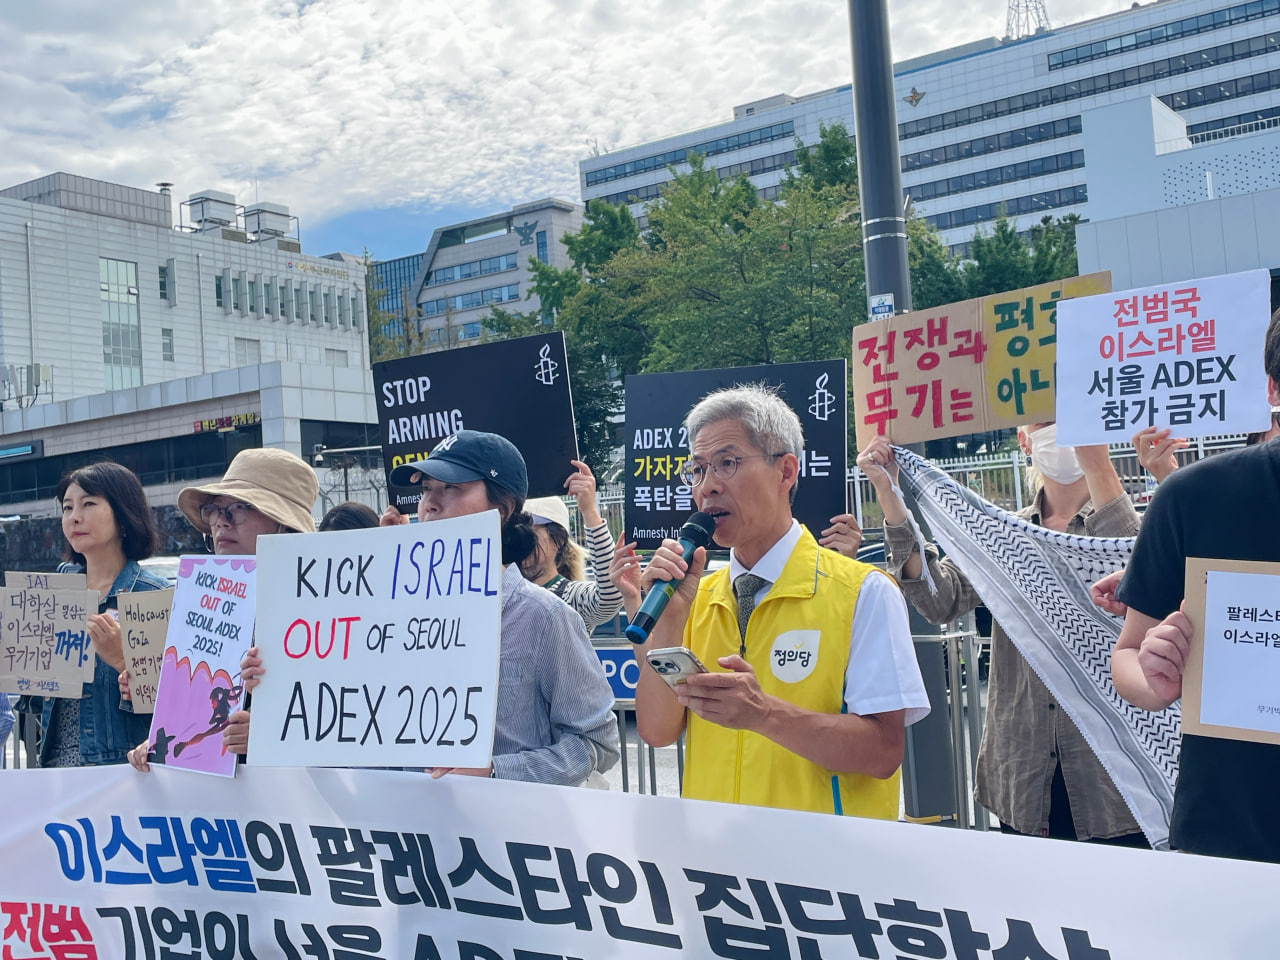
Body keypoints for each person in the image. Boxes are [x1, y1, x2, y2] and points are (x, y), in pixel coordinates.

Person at [633, 385, 929, 816]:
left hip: (819, 856)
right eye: (697, 469)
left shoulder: (862, 591)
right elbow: (657, 732)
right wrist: (670, 620)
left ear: (786, 471)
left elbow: (883, 751)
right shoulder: (695, 597)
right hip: (715, 854)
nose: (708, 486)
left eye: (727, 463)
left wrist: (764, 714)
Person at [862, 424, 1147, 845]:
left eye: (1066, 417)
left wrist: (1099, 467)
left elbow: (1139, 578)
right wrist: (890, 498)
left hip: (1115, 778)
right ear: (1024, 441)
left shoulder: (1138, 525)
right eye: (1042, 422)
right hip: (1023, 774)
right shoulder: (1004, 533)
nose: (1058, 431)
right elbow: (940, 599)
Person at [1110, 309, 1280, 863]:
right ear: (1273, 389)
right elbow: (1128, 657)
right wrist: (1155, 676)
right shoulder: (1194, 497)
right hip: (1230, 835)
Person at [124, 447, 318, 766]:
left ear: (284, 525)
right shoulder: (200, 599)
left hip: (291, 793)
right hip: (212, 793)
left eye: (239, 508)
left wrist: (271, 735)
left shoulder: (322, 607)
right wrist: (161, 743)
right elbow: (194, 714)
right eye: (214, 509)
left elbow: (345, 718)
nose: (220, 522)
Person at [35, 462, 168, 767]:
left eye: (88, 504)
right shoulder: (55, 597)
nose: (74, 517)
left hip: (122, 772)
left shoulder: (154, 596)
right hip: (54, 771)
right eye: (67, 508)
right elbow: (38, 700)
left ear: (123, 516)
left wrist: (124, 660)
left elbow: (176, 705)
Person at [521, 463, 625, 630]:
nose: (521, 537)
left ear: (559, 539)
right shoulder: (505, 590)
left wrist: (589, 511)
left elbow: (610, 596)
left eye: (529, 528)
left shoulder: (571, 597)